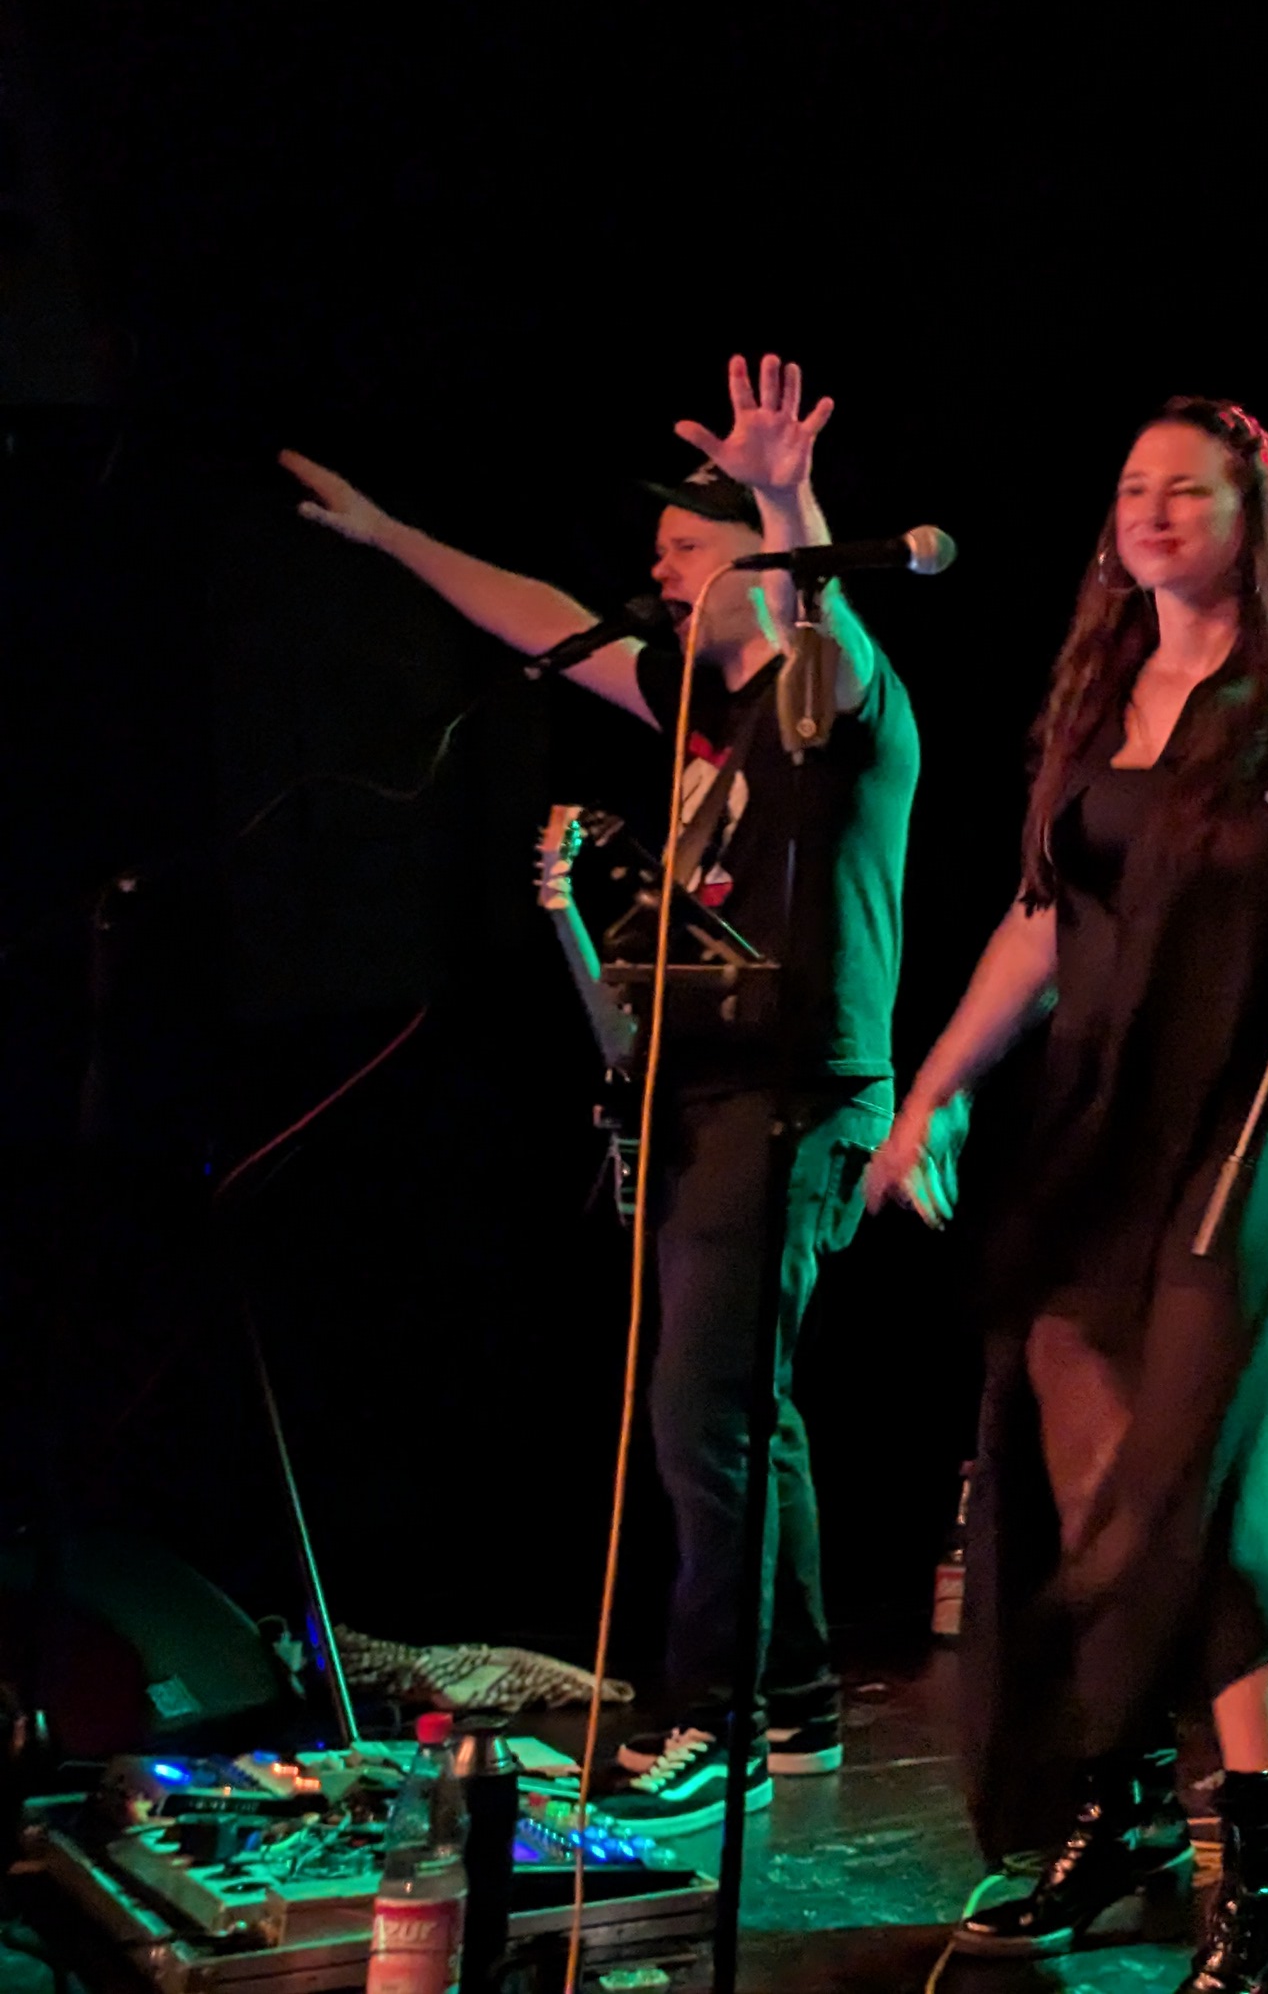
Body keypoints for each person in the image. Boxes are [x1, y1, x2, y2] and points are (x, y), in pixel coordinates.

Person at [283, 355, 914, 1833]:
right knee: (744, 1410)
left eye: (687, 549)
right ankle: (795, 1702)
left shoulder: (831, 702)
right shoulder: (708, 709)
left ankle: (718, 1719)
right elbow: (550, 622)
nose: (660, 571)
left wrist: (785, 501)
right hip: (704, 1091)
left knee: (700, 1416)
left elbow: (829, 625)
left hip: (794, 1093)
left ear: (760, 569)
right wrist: (390, 537)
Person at [860, 398, 1268, 1994]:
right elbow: (1040, 923)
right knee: (1093, 1500)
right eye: (1133, 488)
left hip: (1250, 1134)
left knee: (1209, 1509)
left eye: (1189, 490)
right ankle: (1125, 1818)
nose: (1153, 511)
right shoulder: (1100, 693)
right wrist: (931, 1092)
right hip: (1089, 1148)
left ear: (1253, 518)